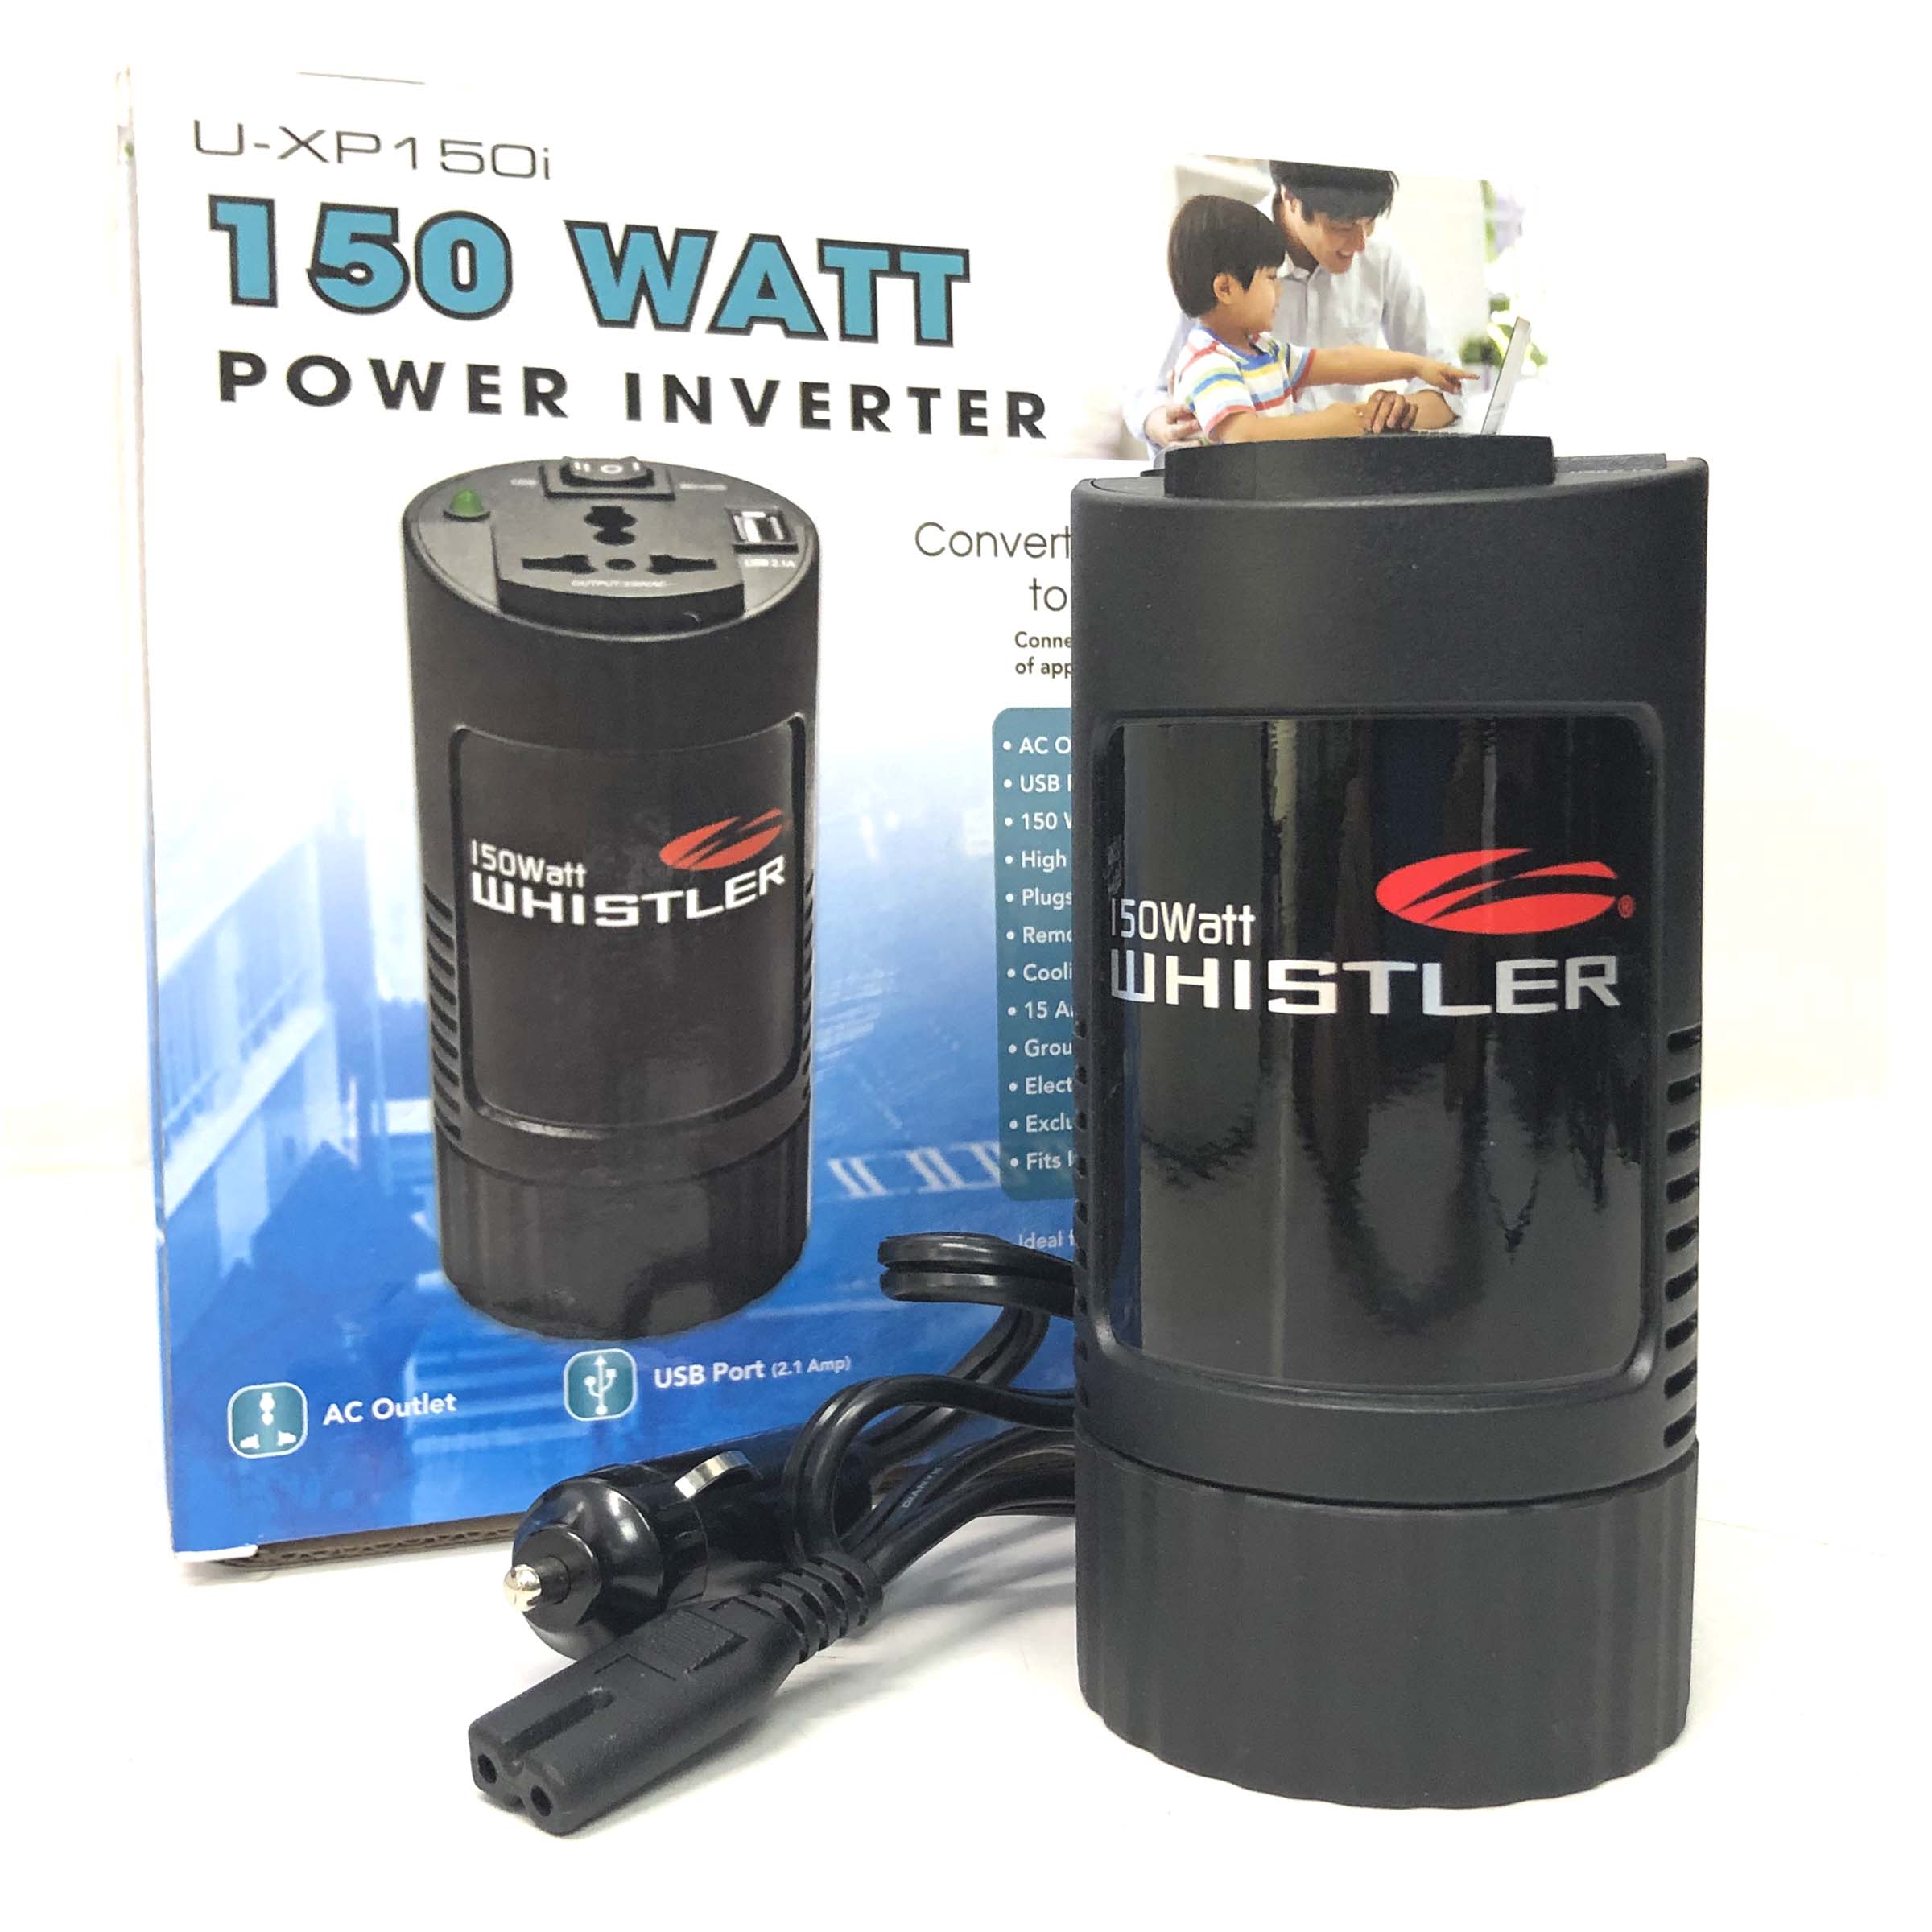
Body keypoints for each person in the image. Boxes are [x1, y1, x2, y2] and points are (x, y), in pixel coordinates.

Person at [1128, 161, 1465, 451]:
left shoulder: (1266, 349)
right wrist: (1335, 422)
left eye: (1369, 223)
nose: (1361, 244)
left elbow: (1341, 360)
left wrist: (1417, 367)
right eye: (1343, 226)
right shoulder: (1216, 261)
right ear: (1290, 197)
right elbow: (1241, 435)